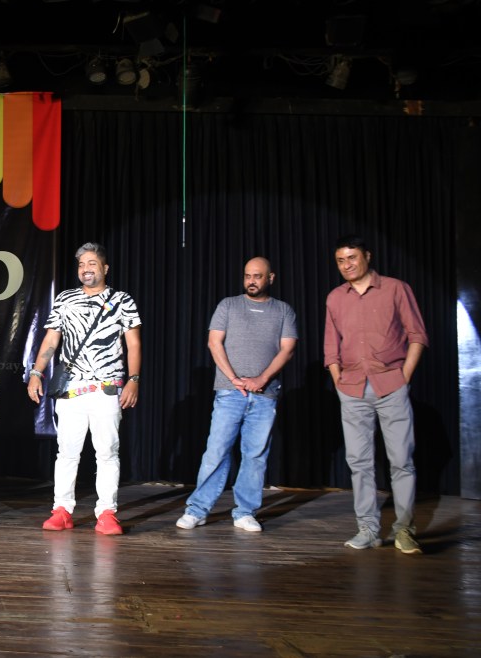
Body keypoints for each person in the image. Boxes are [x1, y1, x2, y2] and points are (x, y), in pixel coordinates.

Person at [175, 257, 298, 533]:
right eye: (247, 276)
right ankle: (197, 510)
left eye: (257, 276)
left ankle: (244, 512)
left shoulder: (283, 310)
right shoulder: (228, 305)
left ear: (270, 278)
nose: (251, 281)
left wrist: (261, 379)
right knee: (216, 451)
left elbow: (287, 349)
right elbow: (214, 342)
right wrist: (234, 379)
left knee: (255, 455)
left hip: (265, 395)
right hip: (230, 392)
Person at [27, 242, 142, 536]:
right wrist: (37, 372)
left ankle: (107, 513)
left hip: (106, 388)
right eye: (81, 264)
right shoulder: (65, 299)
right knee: (67, 452)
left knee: (107, 453)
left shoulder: (122, 300)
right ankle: (62, 510)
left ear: (105, 268)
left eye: (92, 263)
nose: (85, 269)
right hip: (71, 390)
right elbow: (51, 339)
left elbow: (133, 343)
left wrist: (133, 379)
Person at [324, 235, 428, 554]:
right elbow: (331, 346)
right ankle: (368, 530)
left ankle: (404, 530)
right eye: (341, 260)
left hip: (390, 385)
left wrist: (404, 377)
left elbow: (417, 335)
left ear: (367, 256)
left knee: (401, 461)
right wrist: (338, 379)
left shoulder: (396, 289)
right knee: (359, 463)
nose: (347, 265)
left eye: (352, 257)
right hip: (352, 388)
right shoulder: (335, 298)